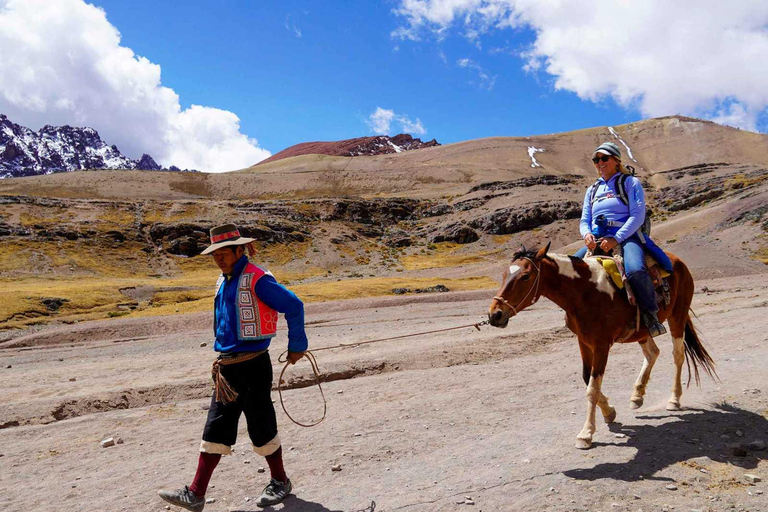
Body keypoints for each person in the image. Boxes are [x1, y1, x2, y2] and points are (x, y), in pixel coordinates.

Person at [159, 224, 307, 510]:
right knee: (215, 427)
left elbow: (294, 305)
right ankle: (196, 493)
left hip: (253, 367)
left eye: (224, 254)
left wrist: (297, 345)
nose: (219, 259)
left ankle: (280, 482)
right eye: (215, 255)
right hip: (226, 370)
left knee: (261, 426)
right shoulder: (223, 280)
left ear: (240, 250)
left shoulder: (258, 279)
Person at [573, 142, 672, 337]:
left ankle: (650, 315)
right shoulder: (592, 189)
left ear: (616, 161)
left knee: (635, 270)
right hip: (598, 238)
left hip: (627, 237)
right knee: (571, 269)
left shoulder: (630, 183)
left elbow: (637, 216)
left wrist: (616, 238)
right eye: (596, 160)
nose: (599, 163)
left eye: (604, 158)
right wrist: (587, 235)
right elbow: (585, 220)